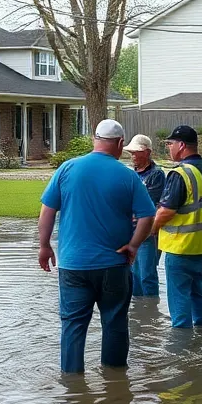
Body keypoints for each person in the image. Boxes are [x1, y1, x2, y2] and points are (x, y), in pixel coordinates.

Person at [38, 119, 156, 373]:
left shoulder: (67, 169)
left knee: (72, 325)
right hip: (114, 264)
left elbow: (47, 210)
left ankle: (72, 386)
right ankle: (115, 385)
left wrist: (44, 246)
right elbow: (148, 216)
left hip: (73, 265)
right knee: (114, 323)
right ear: (121, 143)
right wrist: (134, 245)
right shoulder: (128, 175)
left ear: (95, 139)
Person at [150, 125, 202, 329]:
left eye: (170, 144)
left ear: (181, 145)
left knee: (179, 307)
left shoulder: (180, 173)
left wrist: (148, 230)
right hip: (201, 247)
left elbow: (166, 211)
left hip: (179, 248)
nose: (169, 148)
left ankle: (182, 353)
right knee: (198, 295)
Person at [125, 133, 166, 297]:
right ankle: (140, 311)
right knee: (134, 275)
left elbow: (148, 202)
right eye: (131, 153)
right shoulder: (131, 174)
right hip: (131, 232)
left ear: (147, 153)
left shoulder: (156, 174)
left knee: (147, 275)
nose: (133, 156)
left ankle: (150, 310)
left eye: (136, 152)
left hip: (148, 234)